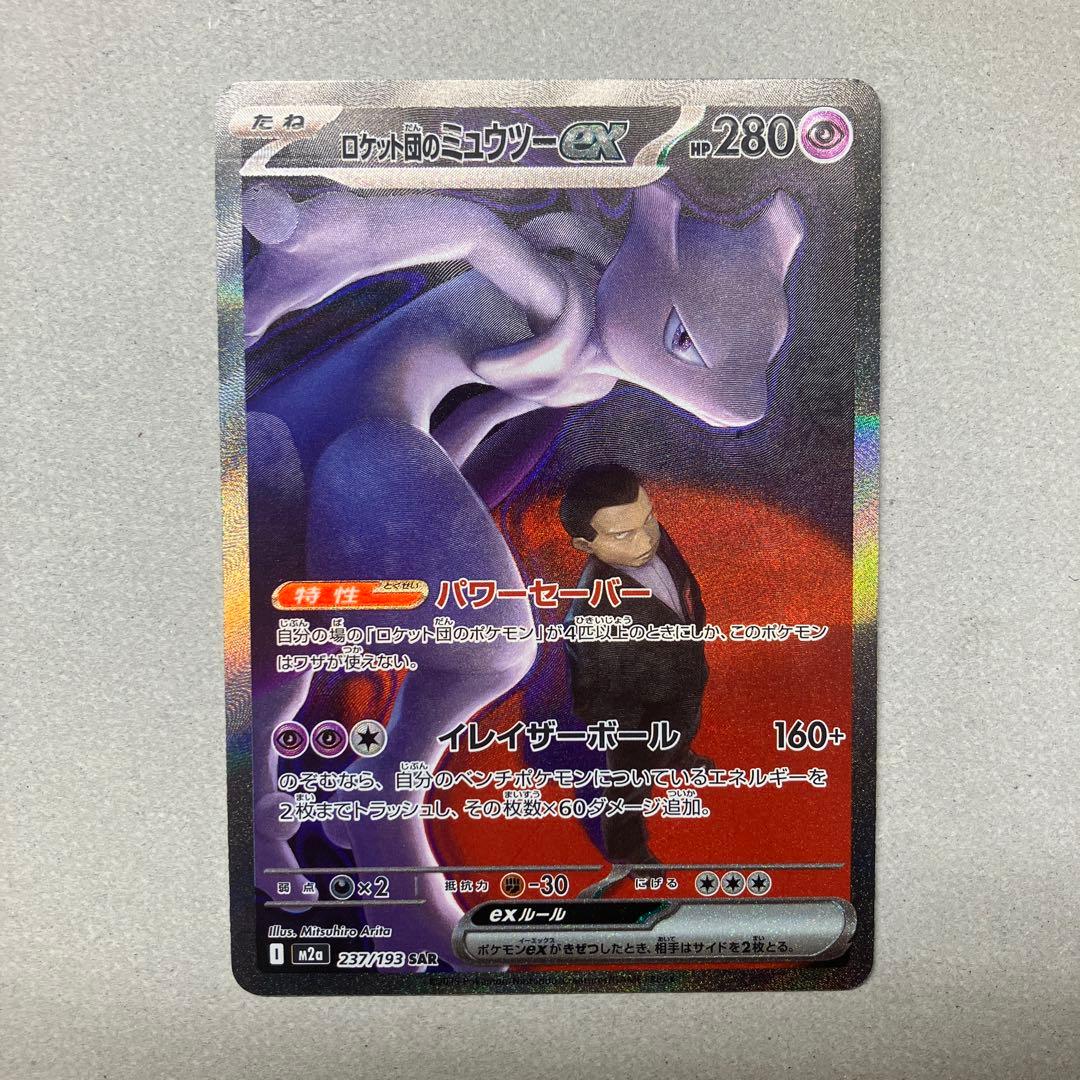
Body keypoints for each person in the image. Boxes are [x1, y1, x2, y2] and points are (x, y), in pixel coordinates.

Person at [559, 463, 712, 865]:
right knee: (628, 783)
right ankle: (626, 849)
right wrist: (628, 738)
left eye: (649, 519)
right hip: (633, 715)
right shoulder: (590, 613)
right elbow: (597, 693)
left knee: (685, 724)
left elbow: (684, 586)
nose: (646, 540)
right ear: (584, 545)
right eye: (623, 534)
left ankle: (676, 755)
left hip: (682, 677)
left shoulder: (655, 539)